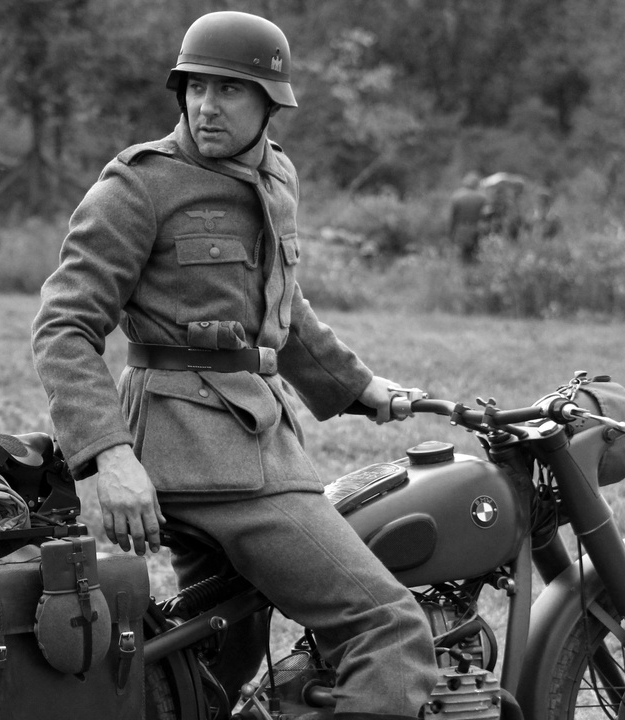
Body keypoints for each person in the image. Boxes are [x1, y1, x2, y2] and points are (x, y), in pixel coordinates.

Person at [30, 11, 438, 720]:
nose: (207, 106)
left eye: (229, 90)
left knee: (223, 656)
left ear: (269, 105)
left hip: (253, 439)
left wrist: (358, 386)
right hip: (201, 460)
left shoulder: (276, 175)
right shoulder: (141, 184)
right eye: (195, 87)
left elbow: (280, 306)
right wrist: (108, 457)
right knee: (389, 626)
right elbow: (63, 326)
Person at [448, 171, 487, 262]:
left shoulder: (456, 196)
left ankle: (464, 274)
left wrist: (451, 232)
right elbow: (485, 216)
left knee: (463, 256)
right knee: (476, 255)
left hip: (461, 229)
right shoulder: (482, 197)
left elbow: (453, 217)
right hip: (476, 228)